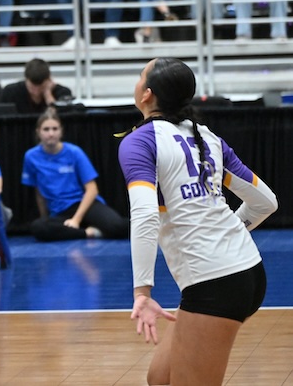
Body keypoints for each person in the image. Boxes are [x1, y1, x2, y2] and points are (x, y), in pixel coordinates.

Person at [118, 57, 277, 385]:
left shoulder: (140, 141)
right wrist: (226, 232)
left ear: (147, 94)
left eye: (139, 77)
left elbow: (146, 216)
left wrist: (141, 293)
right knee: (159, 378)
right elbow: (266, 202)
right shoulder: (208, 138)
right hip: (247, 271)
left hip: (216, 283)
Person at [23, 107, 130, 242]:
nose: (51, 134)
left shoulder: (74, 152)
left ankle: (152, 224)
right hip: (59, 211)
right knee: (39, 227)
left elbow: (92, 189)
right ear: (38, 132)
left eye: (55, 129)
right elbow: (38, 192)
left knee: (117, 226)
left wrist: (76, 219)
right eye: (46, 129)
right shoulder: (30, 157)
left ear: (61, 131)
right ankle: (89, 233)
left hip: (85, 205)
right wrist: (45, 217)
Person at [0, 58, 73, 113]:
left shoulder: (63, 93)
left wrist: (48, 94)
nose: (36, 91)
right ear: (26, 79)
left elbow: (62, 120)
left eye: (41, 87)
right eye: (32, 87)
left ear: (49, 79)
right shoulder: (10, 92)